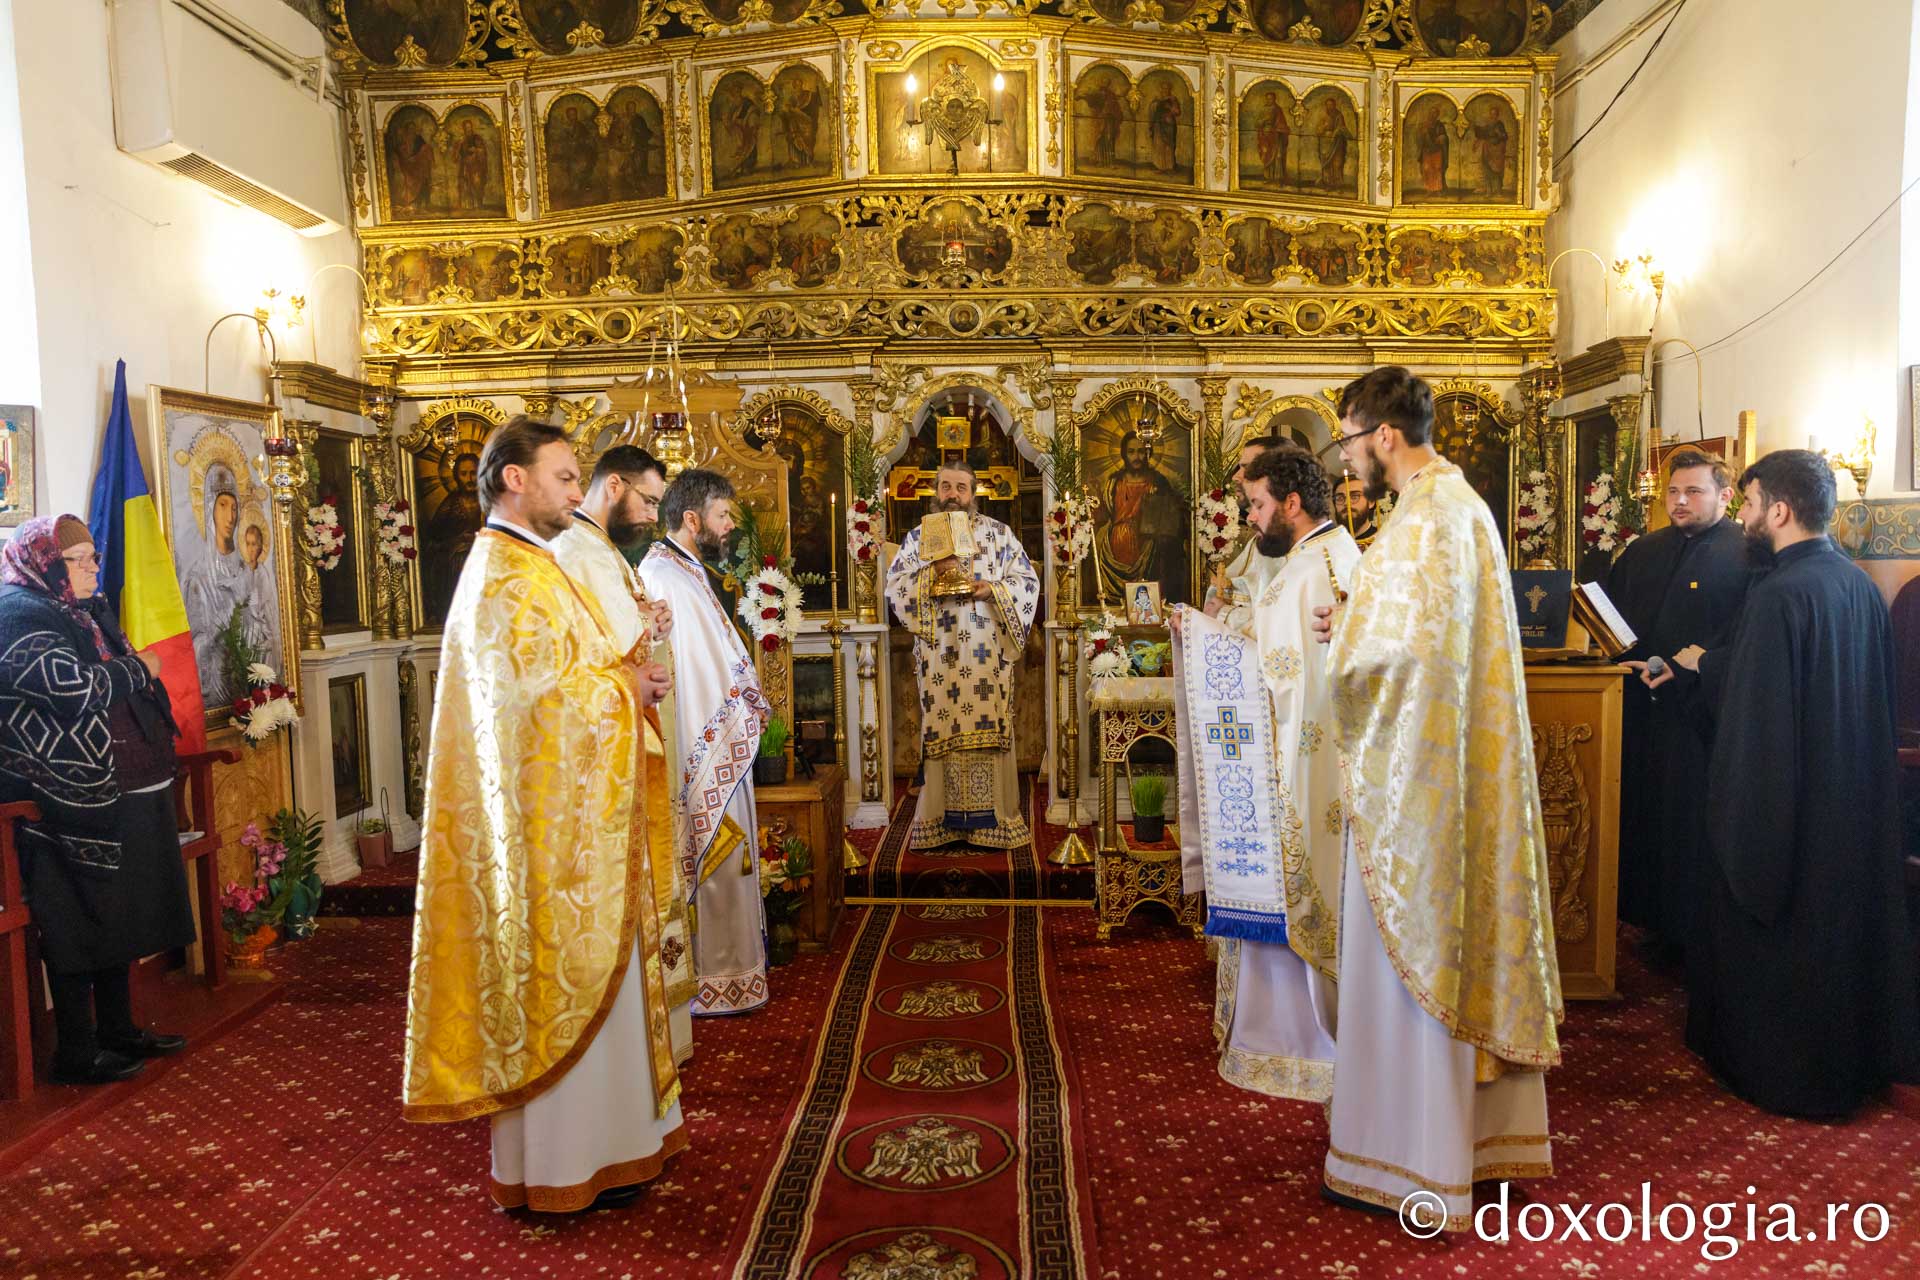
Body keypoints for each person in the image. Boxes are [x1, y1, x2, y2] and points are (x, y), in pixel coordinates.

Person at [402, 418, 683, 1212]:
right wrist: (625, 689)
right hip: (548, 838)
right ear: (514, 479)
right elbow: (533, 707)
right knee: (564, 983)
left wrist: (623, 674)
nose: (574, 491)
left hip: (578, 819)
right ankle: (569, 1166)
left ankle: (617, 1147)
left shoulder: (534, 564)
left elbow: (568, 671)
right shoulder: (505, 574)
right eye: (563, 477)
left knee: (605, 984)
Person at [1312, 367, 1561, 1229]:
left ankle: (1408, 1156)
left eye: (1350, 438)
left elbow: (1393, 654)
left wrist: (1342, 629)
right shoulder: (1456, 507)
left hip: (1416, 792)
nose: (1348, 457)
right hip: (1449, 771)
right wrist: (1356, 614)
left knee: (1408, 958)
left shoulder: (1427, 518)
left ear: (1384, 433)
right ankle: (1465, 1145)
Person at [1633, 450, 1919, 1118]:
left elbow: (1756, 723)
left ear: (1781, 510)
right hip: (1848, 798)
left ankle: (1783, 1073)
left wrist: (1732, 813)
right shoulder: (1856, 585)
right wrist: (1709, 668)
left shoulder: (1778, 595)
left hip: (1790, 814)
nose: (1745, 517)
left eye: (1752, 503)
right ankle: (1853, 1064)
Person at [0, 516, 192, 1084]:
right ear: (44, 563)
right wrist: (140, 667)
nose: (91, 568)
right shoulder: (17, 614)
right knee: (77, 920)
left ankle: (118, 1031)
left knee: (115, 913)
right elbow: (73, 689)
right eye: (77, 559)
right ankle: (77, 1052)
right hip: (48, 803)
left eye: (92, 557)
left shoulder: (72, 608)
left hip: (100, 790)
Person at [1210, 445, 1361, 1102]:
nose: (1251, 517)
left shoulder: (1314, 567)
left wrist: (1209, 636)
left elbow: (1276, 671)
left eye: (1257, 504)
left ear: (1291, 504)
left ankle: (1300, 1044)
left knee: (1300, 885)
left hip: (1303, 761)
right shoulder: (1326, 555)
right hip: (1311, 755)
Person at [551, 445, 695, 1066]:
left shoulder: (602, 549)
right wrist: (642, 636)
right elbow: (579, 657)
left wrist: (648, 620)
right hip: (601, 754)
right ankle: (629, 1048)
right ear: (615, 486)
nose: (653, 515)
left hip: (632, 737)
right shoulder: (575, 549)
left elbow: (616, 633)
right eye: (649, 501)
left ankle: (650, 1037)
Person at [1603, 448, 1749, 964]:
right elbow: (1614, 619)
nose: (1679, 501)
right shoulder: (1644, 550)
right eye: (1673, 491)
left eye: (1693, 491)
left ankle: (1693, 934)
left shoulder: (1746, 554)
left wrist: (1687, 670)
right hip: (1640, 709)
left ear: (1725, 497)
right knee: (1646, 816)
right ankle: (1654, 922)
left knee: (1689, 823)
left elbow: (1742, 634)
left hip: (1699, 715)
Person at [640, 469, 773, 1016]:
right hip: (701, 741)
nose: (729, 527)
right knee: (717, 856)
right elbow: (686, 667)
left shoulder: (687, 569)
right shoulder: (662, 574)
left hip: (722, 735)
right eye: (723, 517)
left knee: (734, 860)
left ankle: (735, 974)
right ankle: (711, 982)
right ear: (693, 519)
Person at [884, 459, 1040, 852]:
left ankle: (997, 821)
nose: (952, 494)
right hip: (941, 656)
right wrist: (932, 574)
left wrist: (991, 589)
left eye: (960, 487)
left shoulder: (999, 535)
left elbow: (1026, 582)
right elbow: (896, 587)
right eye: (946, 486)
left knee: (989, 728)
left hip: (987, 656)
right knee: (943, 729)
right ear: (936, 491)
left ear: (973, 493)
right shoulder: (919, 538)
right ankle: (939, 822)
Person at [1203, 434, 1286, 633]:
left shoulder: (1285, 542)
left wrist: (1224, 614)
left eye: (1247, 468)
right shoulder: (1262, 539)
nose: (1236, 477)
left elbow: (1281, 625)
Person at [1330, 472, 1377, 548]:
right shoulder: (1330, 546)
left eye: (1354, 496)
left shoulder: (1383, 539)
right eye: (1340, 498)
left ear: (1371, 502)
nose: (1346, 503)